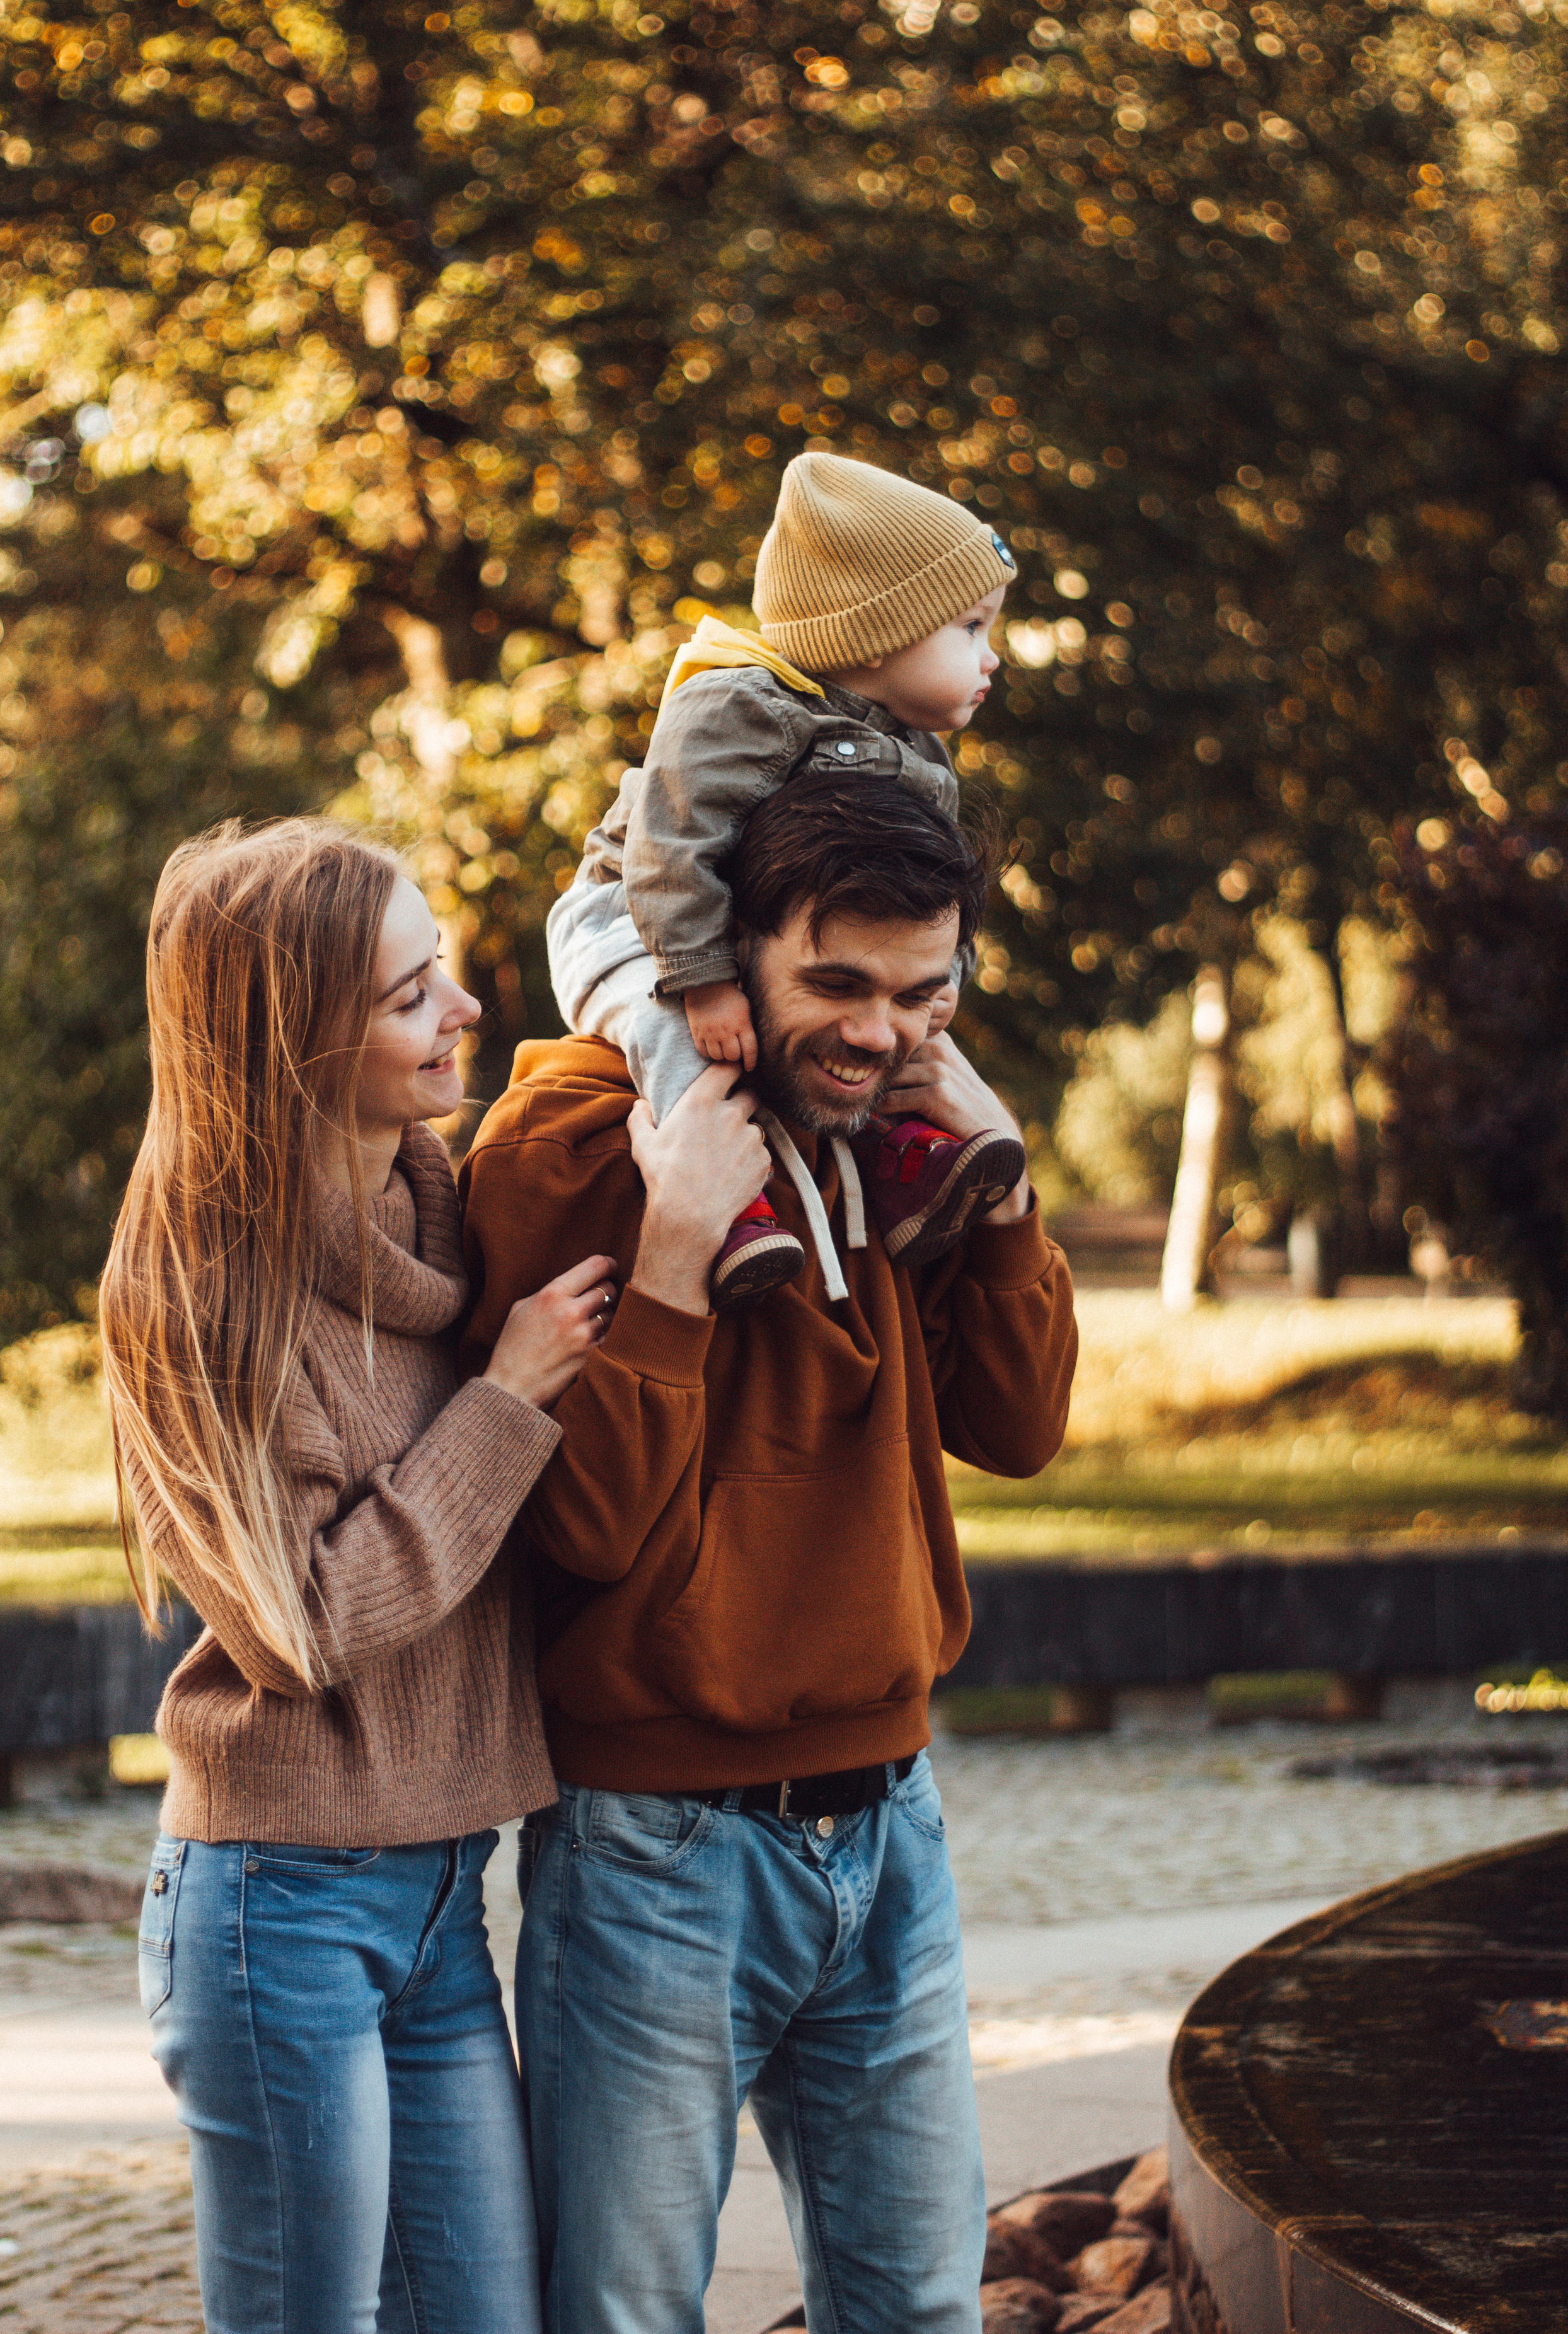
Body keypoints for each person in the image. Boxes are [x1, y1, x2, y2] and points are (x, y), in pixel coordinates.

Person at [460, 773, 1078, 2334]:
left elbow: (1016, 1426)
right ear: (723, 959)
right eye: (837, 986)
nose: (878, 1033)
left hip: (890, 1830)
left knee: (918, 2307)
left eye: (921, 993)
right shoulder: (568, 1140)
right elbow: (578, 1525)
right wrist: (672, 1259)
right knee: (624, 2311)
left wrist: (1001, 1197)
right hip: (656, 1849)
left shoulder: (897, 1133)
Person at [100, 817, 618, 2334]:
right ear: (296, 1041)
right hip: (282, 1915)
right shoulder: (196, 1288)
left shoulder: (446, 1208)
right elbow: (302, 1624)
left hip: (449, 1895)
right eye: (409, 994)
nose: (462, 1008)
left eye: (439, 969)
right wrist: (505, 1402)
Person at [546, 449, 1027, 1309]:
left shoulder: (923, 756)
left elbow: (927, 900)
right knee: (674, 1037)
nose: (991, 658)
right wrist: (704, 982)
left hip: (741, 926)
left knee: (885, 1031)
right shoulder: (740, 703)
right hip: (634, 914)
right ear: (878, 629)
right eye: (971, 629)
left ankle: (907, 1162)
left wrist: (944, 984)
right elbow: (669, 847)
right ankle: (721, 1202)